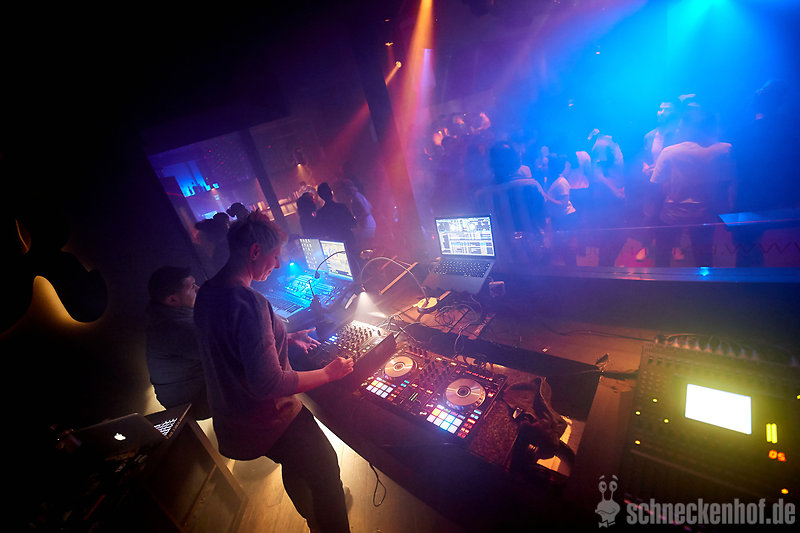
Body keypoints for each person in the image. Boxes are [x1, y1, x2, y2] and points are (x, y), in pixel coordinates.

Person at [193, 211, 353, 533]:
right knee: (325, 471)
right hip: (267, 418)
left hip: (235, 419)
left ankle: (315, 520)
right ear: (255, 251)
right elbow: (269, 383)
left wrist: (284, 338)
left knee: (295, 463)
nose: (278, 265)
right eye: (275, 256)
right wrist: (329, 373)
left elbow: (231, 344)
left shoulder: (207, 293)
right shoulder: (249, 301)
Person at [650, 107, 736, 267]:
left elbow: (656, 186)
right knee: (704, 257)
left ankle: (660, 280)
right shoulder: (723, 150)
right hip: (705, 212)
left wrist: (653, 216)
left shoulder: (669, 152)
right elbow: (726, 183)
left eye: (680, 125)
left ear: (687, 127)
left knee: (662, 256)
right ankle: (705, 280)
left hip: (672, 212)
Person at [145, 266, 210, 420]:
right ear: (172, 300)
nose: (198, 289)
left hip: (192, 389)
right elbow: (225, 348)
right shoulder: (174, 328)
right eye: (192, 286)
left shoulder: (168, 316)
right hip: (193, 402)